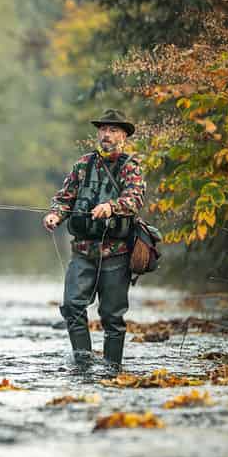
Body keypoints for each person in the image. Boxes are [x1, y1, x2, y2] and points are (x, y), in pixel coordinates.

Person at [42, 109, 146, 367]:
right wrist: (55, 215)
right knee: (72, 308)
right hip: (83, 252)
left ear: (123, 135)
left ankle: (112, 369)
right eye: (103, 130)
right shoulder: (82, 164)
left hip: (117, 254)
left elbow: (134, 199)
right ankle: (84, 363)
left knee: (112, 318)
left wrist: (111, 207)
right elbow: (65, 198)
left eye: (112, 130)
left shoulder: (130, 167)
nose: (106, 135)